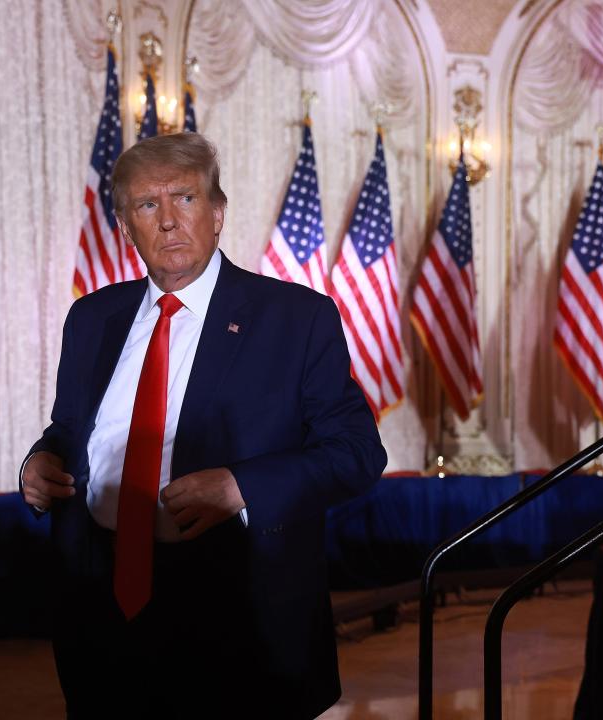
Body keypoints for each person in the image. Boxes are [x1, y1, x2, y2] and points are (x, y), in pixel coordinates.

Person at [20, 132, 386, 719]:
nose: (167, 221)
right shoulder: (91, 319)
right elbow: (71, 431)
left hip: (238, 622)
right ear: (124, 224)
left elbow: (357, 453)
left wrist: (243, 486)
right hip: (101, 615)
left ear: (216, 213)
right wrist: (39, 463)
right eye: (147, 205)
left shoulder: (296, 319)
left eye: (184, 199)